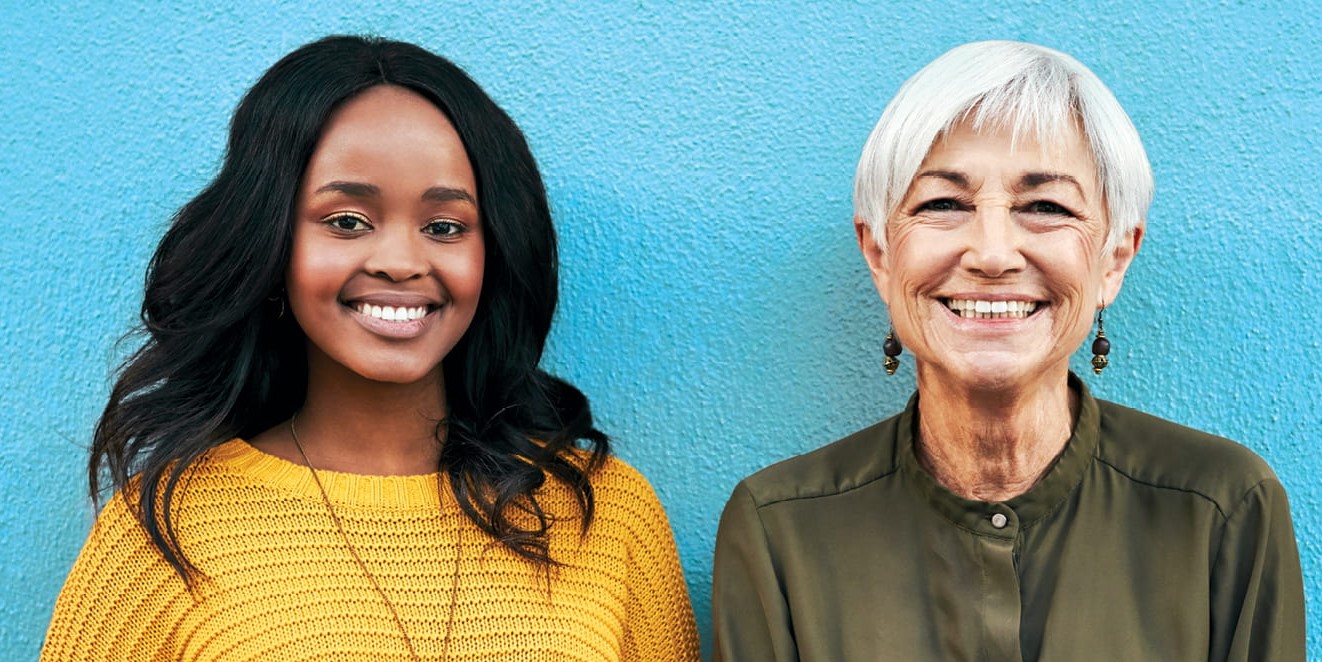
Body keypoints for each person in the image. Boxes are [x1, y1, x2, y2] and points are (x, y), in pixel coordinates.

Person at [42, 35, 699, 662]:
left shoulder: (606, 513)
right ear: (271, 245)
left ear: (491, 255)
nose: (399, 261)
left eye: (445, 226)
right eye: (346, 222)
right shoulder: (160, 533)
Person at [712, 40, 1304, 661]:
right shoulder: (778, 529)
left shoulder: (1224, 511)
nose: (992, 254)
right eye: (943, 204)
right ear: (880, 255)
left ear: (1115, 259)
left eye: (1046, 207)